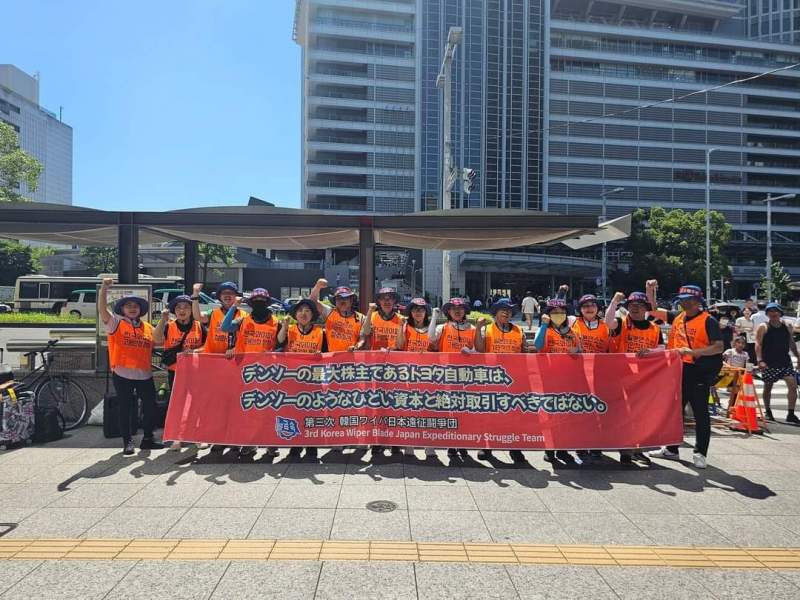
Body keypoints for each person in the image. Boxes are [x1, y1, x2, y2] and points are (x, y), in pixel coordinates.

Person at [649, 284, 723, 469]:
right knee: (675, 412)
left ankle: (700, 452)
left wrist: (694, 351)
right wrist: (650, 291)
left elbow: (719, 347)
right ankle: (672, 449)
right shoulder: (678, 317)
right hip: (678, 370)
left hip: (698, 370)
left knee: (700, 413)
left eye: (687, 299)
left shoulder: (708, 320)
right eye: (681, 299)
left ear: (697, 301)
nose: (683, 303)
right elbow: (654, 312)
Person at [98, 278, 164, 455]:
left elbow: (159, 340)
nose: (133, 308)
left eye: (136, 305)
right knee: (125, 408)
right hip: (122, 372)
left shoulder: (148, 327)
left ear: (141, 310)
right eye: (128, 305)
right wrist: (104, 288)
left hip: (144, 374)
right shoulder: (116, 323)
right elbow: (102, 309)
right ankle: (127, 442)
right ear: (122, 309)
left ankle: (148, 439)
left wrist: (164, 319)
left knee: (151, 406)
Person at [605, 286, 664, 466]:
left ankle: (637, 450)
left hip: (645, 378)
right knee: (625, 415)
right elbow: (608, 322)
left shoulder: (655, 328)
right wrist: (615, 301)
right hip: (622, 376)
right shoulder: (621, 323)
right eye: (631, 304)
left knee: (642, 416)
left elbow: (661, 349)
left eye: (639, 304)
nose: (635, 308)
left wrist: (651, 352)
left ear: (646, 308)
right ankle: (625, 452)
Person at [220, 288, 282, 458]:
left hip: (268, 373)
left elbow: (282, 344)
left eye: (262, 300)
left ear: (267, 302)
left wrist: (276, 352)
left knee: (269, 409)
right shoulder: (242, 320)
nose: (259, 303)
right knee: (248, 409)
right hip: (245, 372)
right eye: (256, 300)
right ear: (251, 303)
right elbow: (224, 327)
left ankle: (270, 443)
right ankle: (249, 443)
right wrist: (233, 307)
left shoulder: (277, 322)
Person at [153, 294, 207, 452]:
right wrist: (162, 320)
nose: (182, 310)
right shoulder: (169, 326)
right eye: (178, 308)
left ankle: (199, 436)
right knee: (177, 404)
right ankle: (177, 438)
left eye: (186, 307)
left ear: (191, 310)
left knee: (197, 403)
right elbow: (156, 339)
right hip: (175, 372)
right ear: (174, 310)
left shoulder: (198, 326)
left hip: (196, 371)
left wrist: (195, 350)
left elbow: (208, 345)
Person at [475, 298, 527, 463]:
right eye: (503, 309)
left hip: (513, 380)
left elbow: (525, 351)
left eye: (509, 310)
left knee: (514, 416)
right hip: (492, 379)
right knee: (490, 415)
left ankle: (514, 448)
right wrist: (477, 329)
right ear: (495, 312)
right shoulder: (487, 329)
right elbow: (480, 349)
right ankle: (487, 446)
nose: (506, 312)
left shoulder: (519, 330)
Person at [533, 298, 580, 466]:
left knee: (566, 415)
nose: (558, 315)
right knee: (551, 415)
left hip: (567, 379)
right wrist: (544, 325)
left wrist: (571, 345)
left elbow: (576, 350)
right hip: (549, 378)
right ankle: (550, 449)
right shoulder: (545, 329)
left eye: (561, 312)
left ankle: (563, 448)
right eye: (554, 312)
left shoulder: (571, 331)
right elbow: (537, 345)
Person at [278, 298, 327, 460]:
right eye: (300, 311)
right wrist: (284, 327)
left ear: (312, 315)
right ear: (295, 315)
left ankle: (312, 445)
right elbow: (279, 341)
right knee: (294, 411)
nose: (303, 313)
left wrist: (321, 357)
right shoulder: (290, 329)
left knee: (313, 413)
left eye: (307, 311)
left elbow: (328, 355)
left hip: (314, 378)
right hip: (294, 377)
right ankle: (296, 444)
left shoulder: (321, 332)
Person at [429, 297, 477, 459]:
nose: (457, 311)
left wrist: (471, 353)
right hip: (446, 374)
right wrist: (434, 317)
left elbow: (478, 351)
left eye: (461, 308)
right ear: (448, 311)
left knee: (464, 410)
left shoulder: (472, 328)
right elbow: (431, 339)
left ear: (465, 311)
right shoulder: (443, 327)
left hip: (466, 376)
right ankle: (451, 442)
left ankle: (463, 442)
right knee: (449, 411)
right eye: (453, 308)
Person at [395, 298, 437, 458]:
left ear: (426, 312)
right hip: (408, 375)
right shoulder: (406, 327)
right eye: (415, 309)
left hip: (428, 376)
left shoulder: (432, 328)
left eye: (421, 309)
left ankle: (429, 445)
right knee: (409, 411)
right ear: (410, 312)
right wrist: (400, 326)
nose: (418, 312)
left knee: (428, 411)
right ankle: (409, 444)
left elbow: (435, 347)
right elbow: (399, 345)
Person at [755, 302, 799, 424]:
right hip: (769, 362)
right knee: (768, 386)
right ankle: (768, 411)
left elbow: (791, 343)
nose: (773, 314)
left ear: (780, 313)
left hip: (785, 361)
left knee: (793, 384)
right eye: (770, 311)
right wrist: (760, 360)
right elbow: (758, 344)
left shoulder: (787, 325)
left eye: (776, 311)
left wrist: (798, 357)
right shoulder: (763, 327)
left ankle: (791, 413)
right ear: (767, 314)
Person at [310, 279, 363, 352]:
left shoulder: (361, 318)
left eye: (345, 298)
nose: (342, 301)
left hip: (352, 358)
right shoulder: (329, 312)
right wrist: (317, 286)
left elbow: (363, 339)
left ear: (351, 300)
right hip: (332, 358)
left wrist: (356, 347)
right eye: (339, 298)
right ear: (335, 301)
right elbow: (313, 301)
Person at [192, 281, 243, 355]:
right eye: (224, 293)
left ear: (236, 296)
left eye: (231, 293)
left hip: (233, 360)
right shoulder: (213, 313)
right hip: (212, 359)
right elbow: (197, 316)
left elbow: (246, 340)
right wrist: (195, 294)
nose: (227, 295)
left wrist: (235, 349)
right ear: (219, 296)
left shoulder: (244, 315)